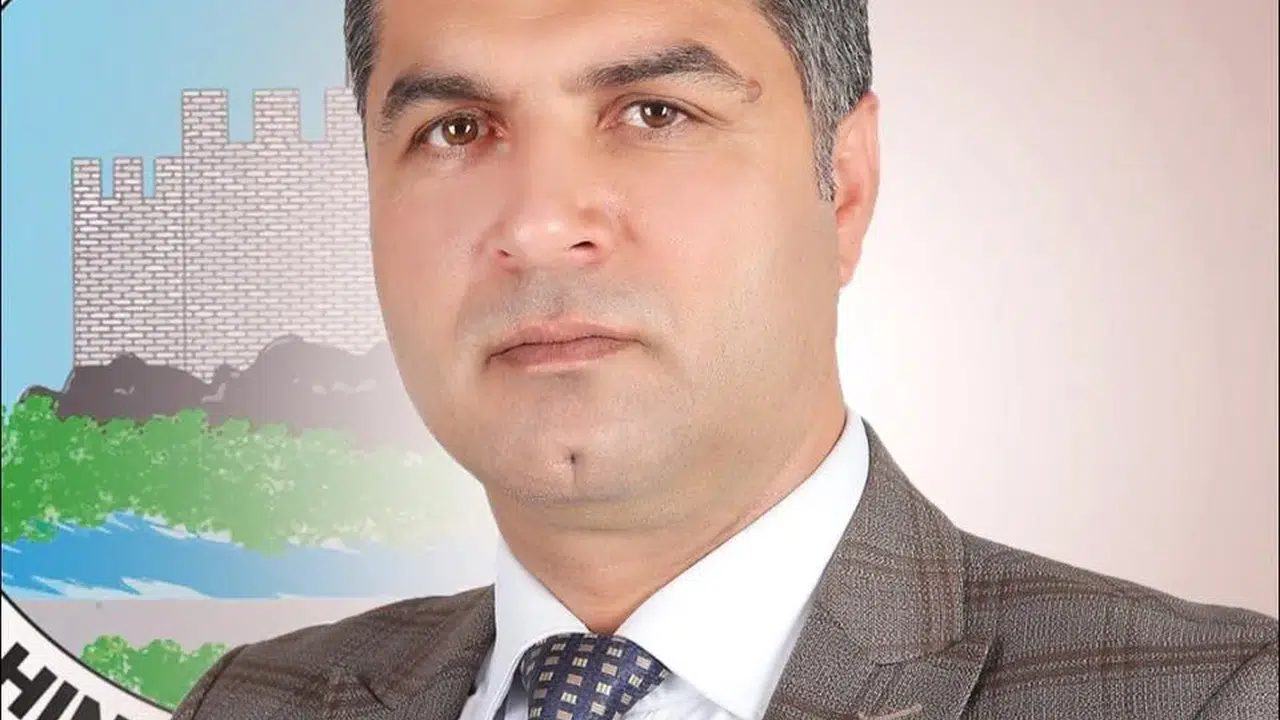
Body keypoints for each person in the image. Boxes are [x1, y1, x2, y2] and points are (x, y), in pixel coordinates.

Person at [173, 0, 1279, 717]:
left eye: (654, 112)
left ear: (843, 186)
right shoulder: (252, 700)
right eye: (456, 129)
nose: (539, 224)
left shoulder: (1206, 698)